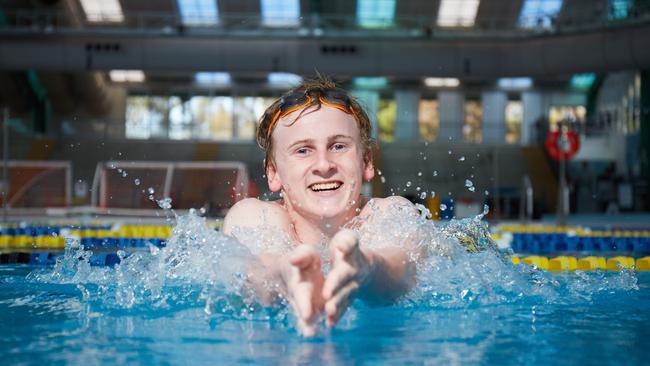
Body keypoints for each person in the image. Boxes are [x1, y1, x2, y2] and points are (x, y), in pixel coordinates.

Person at [222, 77, 422, 336]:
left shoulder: (390, 212)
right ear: (273, 173)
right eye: (303, 150)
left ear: (366, 162)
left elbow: (401, 270)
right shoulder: (254, 215)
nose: (324, 164)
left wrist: (368, 268)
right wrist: (285, 274)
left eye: (338, 146)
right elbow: (259, 269)